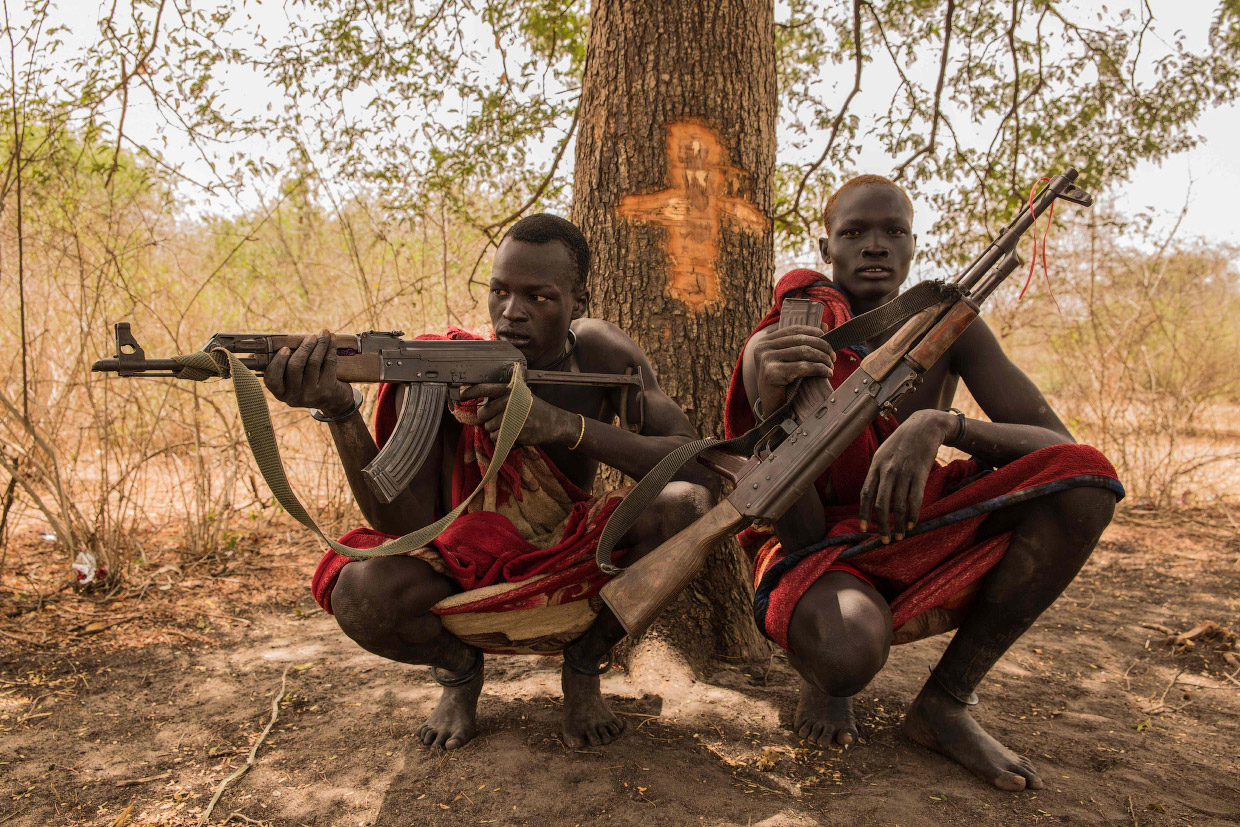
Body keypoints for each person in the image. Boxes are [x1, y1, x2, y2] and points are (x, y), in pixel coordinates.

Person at [727, 175, 1123, 790]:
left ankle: (944, 703)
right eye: (854, 232)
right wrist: (775, 401)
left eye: (894, 232)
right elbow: (795, 523)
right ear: (826, 246)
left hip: (907, 517)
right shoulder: (783, 342)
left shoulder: (950, 329)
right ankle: (820, 672)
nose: (876, 246)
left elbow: (1065, 451)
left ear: (913, 247)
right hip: (810, 544)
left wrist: (940, 424)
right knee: (843, 655)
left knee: (1085, 485)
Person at [265, 213, 711, 750]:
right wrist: (340, 413)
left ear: (581, 303)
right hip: (462, 562)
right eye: (498, 291)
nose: (510, 312)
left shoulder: (601, 353)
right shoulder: (443, 366)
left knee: (687, 506)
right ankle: (457, 673)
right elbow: (401, 525)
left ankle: (585, 665)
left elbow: (695, 464)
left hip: (572, 555)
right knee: (361, 593)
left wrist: (564, 426)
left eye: (538, 297)